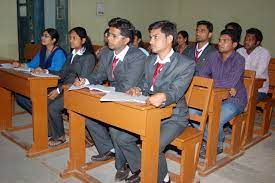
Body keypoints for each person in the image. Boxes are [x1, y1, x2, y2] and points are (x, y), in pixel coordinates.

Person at [110, 20, 195, 183]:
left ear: (170, 38)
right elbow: (144, 83)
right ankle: (143, 169)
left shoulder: (186, 63)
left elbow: (176, 90)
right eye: (150, 37)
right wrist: (138, 89)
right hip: (150, 111)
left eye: (156, 37)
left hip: (173, 117)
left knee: (153, 145)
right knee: (121, 137)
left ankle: (163, 180)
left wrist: (162, 96)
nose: (151, 41)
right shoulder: (150, 60)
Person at [73, 17, 146, 181]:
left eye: (113, 35)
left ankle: (126, 165)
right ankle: (109, 149)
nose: (108, 38)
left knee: (115, 128)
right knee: (88, 114)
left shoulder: (137, 56)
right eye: (108, 34)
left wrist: (103, 92)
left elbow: (128, 85)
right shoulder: (106, 53)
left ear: (126, 40)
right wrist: (85, 81)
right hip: (113, 94)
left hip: (132, 99)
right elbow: (98, 74)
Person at [35, 27, 96, 146]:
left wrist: (58, 90)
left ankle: (60, 137)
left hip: (78, 91)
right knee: (45, 101)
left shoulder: (88, 57)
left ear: (83, 40)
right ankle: (53, 131)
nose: (71, 41)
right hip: (66, 87)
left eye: (74, 38)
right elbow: (62, 73)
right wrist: (46, 71)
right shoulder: (71, 55)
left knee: (53, 107)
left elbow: (81, 80)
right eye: (70, 38)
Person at [195, 29, 247, 158]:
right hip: (213, 96)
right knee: (191, 113)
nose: (220, 43)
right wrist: (219, 84)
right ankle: (210, 138)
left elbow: (229, 82)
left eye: (225, 41)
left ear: (234, 44)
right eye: (219, 40)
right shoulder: (213, 56)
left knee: (215, 118)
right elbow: (201, 74)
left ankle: (215, 144)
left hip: (235, 99)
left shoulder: (239, 59)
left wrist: (213, 82)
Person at [13, 28, 67, 114]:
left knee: (29, 93)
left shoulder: (59, 53)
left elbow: (56, 72)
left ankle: (43, 115)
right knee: (20, 94)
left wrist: (42, 70)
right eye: (42, 35)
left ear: (53, 40)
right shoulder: (42, 50)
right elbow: (32, 64)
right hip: (41, 81)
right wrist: (20, 65)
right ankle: (41, 114)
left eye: (46, 36)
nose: (42, 38)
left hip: (55, 83)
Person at [237, 28, 271, 102]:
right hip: (238, 87)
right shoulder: (239, 51)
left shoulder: (264, 53)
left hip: (259, 89)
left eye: (250, 40)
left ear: (257, 42)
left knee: (242, 101)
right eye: (245, 39)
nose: (246, 41)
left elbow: (257, 74)